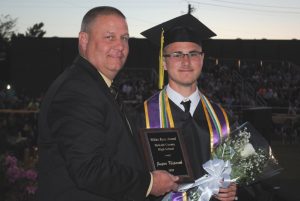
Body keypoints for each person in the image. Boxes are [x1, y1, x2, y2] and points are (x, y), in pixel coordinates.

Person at [37, 6, 179, 201]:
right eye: (109, 37)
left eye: (125, 38)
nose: (120, 46)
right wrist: (149, 183)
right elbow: (89, 169)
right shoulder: (78, 90)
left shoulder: (97, 86)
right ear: (84, 40)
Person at [132, 14, 237, 201]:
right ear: (164, 62)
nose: (186, 61)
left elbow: (242, 175)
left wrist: (234, 188)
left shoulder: (223, 119)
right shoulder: (141, 117)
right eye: (177, 54)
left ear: (202, 59)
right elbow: (128, 178)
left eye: (193, 54)